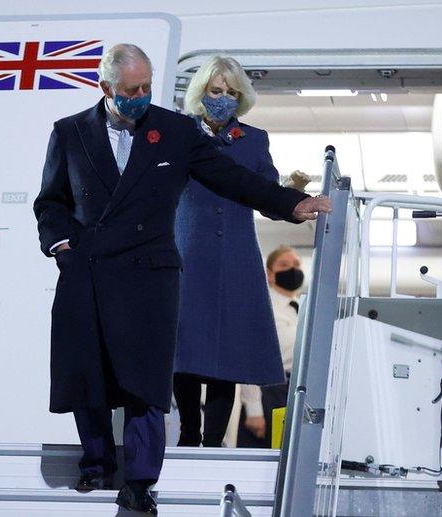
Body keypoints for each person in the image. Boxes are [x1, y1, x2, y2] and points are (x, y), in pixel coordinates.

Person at [33, 43, 332, 514]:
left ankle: (141, 481)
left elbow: (230, 177)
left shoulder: (172, 131)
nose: (142, 96)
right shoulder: (70, 132)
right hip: (87, 270)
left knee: (145, 384)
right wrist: (61, 244)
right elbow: (50, 202)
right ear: (105, 87)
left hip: (149, 273)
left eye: (148, 87)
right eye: (132, 89)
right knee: (87, 374)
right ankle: (95, 463)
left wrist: (289, 204)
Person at [173, 55, 285, 448]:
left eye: (230, 93)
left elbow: (268, 196)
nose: (222, 98)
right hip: (187, 251)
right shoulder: (178, 132)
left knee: (226, 353)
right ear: (200, 93)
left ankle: (213, 439)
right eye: (215, 91)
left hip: (236, 255)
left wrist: (294, 198)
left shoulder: (254, 140)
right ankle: (189, 432)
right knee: (183, 350)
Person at [238, 246, 304, 448]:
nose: (291, 269)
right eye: (283, 265)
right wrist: (254, 409)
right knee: (264, 461)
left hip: (298, 390)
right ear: (269, 274)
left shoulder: (304, 308)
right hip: (269, 390)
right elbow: (249, 358)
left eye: (295, 265)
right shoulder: (262, 307)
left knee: (292, 458)